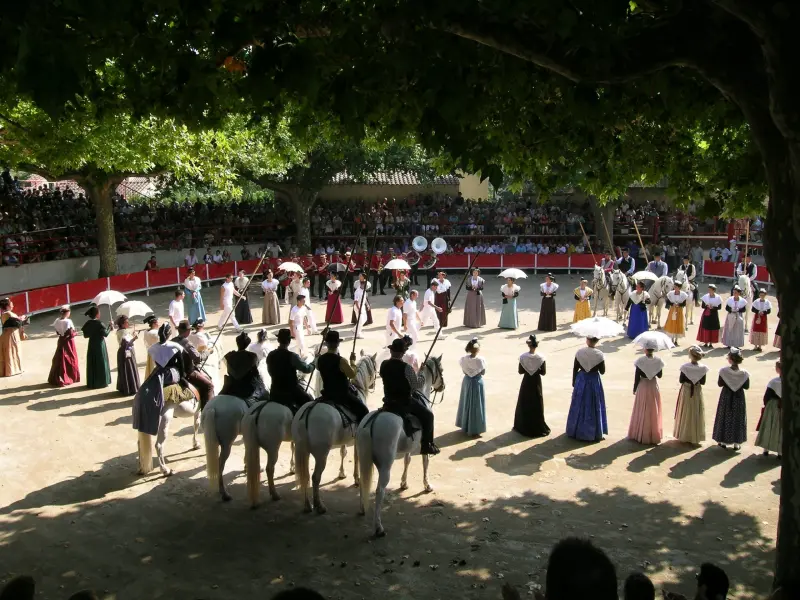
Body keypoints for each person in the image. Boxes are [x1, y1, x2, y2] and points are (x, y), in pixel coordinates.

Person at [379, 338, 439, 455]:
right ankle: (427, 445)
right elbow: (417, 385)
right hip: (404, 403)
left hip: (388, 402)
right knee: (428, 416)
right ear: (402, 353)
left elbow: (384, 376)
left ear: (391, 351)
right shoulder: (407, 368)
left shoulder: (384, 364)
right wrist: (421, 373)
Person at [317, 330, 369, 420]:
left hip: (326, 393)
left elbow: (318, 368)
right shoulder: (341, 360)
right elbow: (352, 375)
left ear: (326, 344)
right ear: (338, 344)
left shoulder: (320, 359)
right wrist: (352, 361)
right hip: (342, 394)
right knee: (364, 411)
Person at [566, 337, 607, 441]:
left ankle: (575, 430)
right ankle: (594, 432)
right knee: (593, 405)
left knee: (579, 404)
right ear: (596, 341)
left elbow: (575, 368)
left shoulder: (580, 352)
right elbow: (602, 371)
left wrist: (574, 381)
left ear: (587, 340)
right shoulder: (599, 355)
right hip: (593, 380)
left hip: (582, 379)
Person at [266, 328, 315, 413]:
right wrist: (313, 364)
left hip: (275, 391)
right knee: (311, 404)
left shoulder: (271, 355)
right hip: (291, 391)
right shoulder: (292, 356)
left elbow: (270, 371)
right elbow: (306, 369)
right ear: (289, 341)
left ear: (278, 340)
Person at [172, 319, 215, 409]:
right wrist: (207, 352)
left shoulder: (172, 341)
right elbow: (198, 358)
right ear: (187, 331)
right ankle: (206, 411)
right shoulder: (187, 343)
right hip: (187, 373)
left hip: (174, 371)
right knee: (209, 386)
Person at [513, 334, 550, 437]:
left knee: (525, 402)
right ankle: (537, 426)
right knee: (536, 402)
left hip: (527, 381)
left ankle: (524, 426)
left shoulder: (523, 357)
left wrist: (528, 369)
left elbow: (520, 371)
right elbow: (543, 372)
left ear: (528, 345)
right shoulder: (541, 358)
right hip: (536, 382)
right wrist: (536, 369)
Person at [627, 341, 664, 445]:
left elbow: (637, 376)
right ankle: (653, 433)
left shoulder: (640, 361)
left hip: (643, 385)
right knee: (653, 409)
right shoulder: (658, 361)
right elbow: (660, 375)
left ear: (645, 349)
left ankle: (639, 433)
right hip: (653, 385)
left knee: (641, 408)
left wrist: (634, 388)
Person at [712, 348, 749, 451]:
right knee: (738, 417)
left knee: (725, 415)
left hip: (726, 395)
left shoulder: (724, 371)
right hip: (739, 397)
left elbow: (720, 384)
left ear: (730, 359)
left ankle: (723, 441)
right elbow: (746, 386)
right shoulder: (744, 373)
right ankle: (736, 443)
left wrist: (729, 381)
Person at [673, 346, 709, 444]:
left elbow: (681, 380)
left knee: (685, 410)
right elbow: (703, 382)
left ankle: (684, 434)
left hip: (686, 390)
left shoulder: (685, 367)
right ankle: (695, 435)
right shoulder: (703, 368)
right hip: (697, 390)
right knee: (695, 411)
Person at [219, 332, 267, 405]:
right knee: (266, 396)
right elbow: (255, 368)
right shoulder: (252, 356)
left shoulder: (229, 355)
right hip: (247, 386)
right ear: (247, 344)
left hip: (232, 385)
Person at [455, 338, 487, 436]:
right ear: (477, 349)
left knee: (466, 403)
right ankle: (475, 429)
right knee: (476, 405)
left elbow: (464, 371)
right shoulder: (480, 360)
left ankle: (465, 425)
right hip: (477, 382)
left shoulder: (463, 359)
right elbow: (483, 372)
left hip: (467, 382)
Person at [48, 305, 80, 386]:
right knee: (70, 358)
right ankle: (70, 376)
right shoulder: (68, 321)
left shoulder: (57, 321)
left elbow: (58, 333)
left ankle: (57, 376)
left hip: (61, 340)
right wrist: (76, 333)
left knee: (59, 357)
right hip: (69, 343)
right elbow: (71, 334)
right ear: (67, 312)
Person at [81, 306, 112, 389]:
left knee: (93, 362)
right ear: (97, 314)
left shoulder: (88, 323)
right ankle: (102, 382)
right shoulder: (99, 323)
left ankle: (93, 382)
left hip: (92, 344)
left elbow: (85, 335)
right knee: (101, 361)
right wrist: (110, 327)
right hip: (99, 344)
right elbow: (105, 334)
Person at [756, 360, 782, 458]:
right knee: (781, 429)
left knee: (769, 427)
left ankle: (766, 449)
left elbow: (766, 397)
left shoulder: (773, 382)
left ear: (778, 370)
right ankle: (780, 452)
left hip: (773, 406)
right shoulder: (791, 381)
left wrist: (767, 405)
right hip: (785, 408)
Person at [115, 315, 141, 396]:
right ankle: (131, 388)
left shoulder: (120, 330)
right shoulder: (123, 332)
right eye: (126, 322)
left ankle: (124, 387)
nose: (128, 323)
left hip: (122, 352)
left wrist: (132, 336)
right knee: (129, 369)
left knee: (125, 370)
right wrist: (134, 338)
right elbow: (126, 344)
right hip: (126, 353)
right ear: (122, 324)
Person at [0, 298, 26, 378]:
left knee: (12, 351)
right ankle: (11, 370)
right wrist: (22, 319)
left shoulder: (6, 313)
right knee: (12, 351)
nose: (12, 305)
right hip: (11, 335)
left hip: (11, 334)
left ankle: (13, 369)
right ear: (7, 305)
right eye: (11, 303)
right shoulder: (8, 314)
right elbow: (18, 322)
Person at [352, 274, 372, 338]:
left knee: (365, 318)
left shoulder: (364, 291)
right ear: (361, 285)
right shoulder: (357, 291)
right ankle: (358, 333)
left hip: (363, 306)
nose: (364, 286)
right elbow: (356, 301)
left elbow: (365, 298)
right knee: (360, 320)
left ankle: (354, 329)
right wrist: (359, 309)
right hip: (358, 306)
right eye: (363, 285)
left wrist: (368, 305)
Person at [142, 315, 160, 379]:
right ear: (154, 324)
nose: (158, 324)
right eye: (157, 322)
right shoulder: (155, 333)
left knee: (150, 368)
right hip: (156, 353)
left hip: (150, 352)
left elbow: (146, 342)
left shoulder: (146, 331)